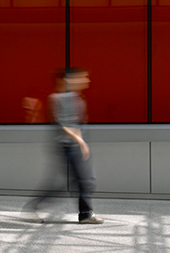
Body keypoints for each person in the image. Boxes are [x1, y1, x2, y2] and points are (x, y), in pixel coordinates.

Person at [23, 68, 104, 224]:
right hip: (65, 146)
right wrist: (79, 140)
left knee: (86, 180)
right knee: (78, 182)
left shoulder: (78, 98)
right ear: (68, 80)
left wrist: (81, 142)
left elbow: (78, 123)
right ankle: (34, 208)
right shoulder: (56, 98)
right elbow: (61, 124)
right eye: (81, 77)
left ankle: (85, 213)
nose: (86, 81)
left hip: (77, 146)